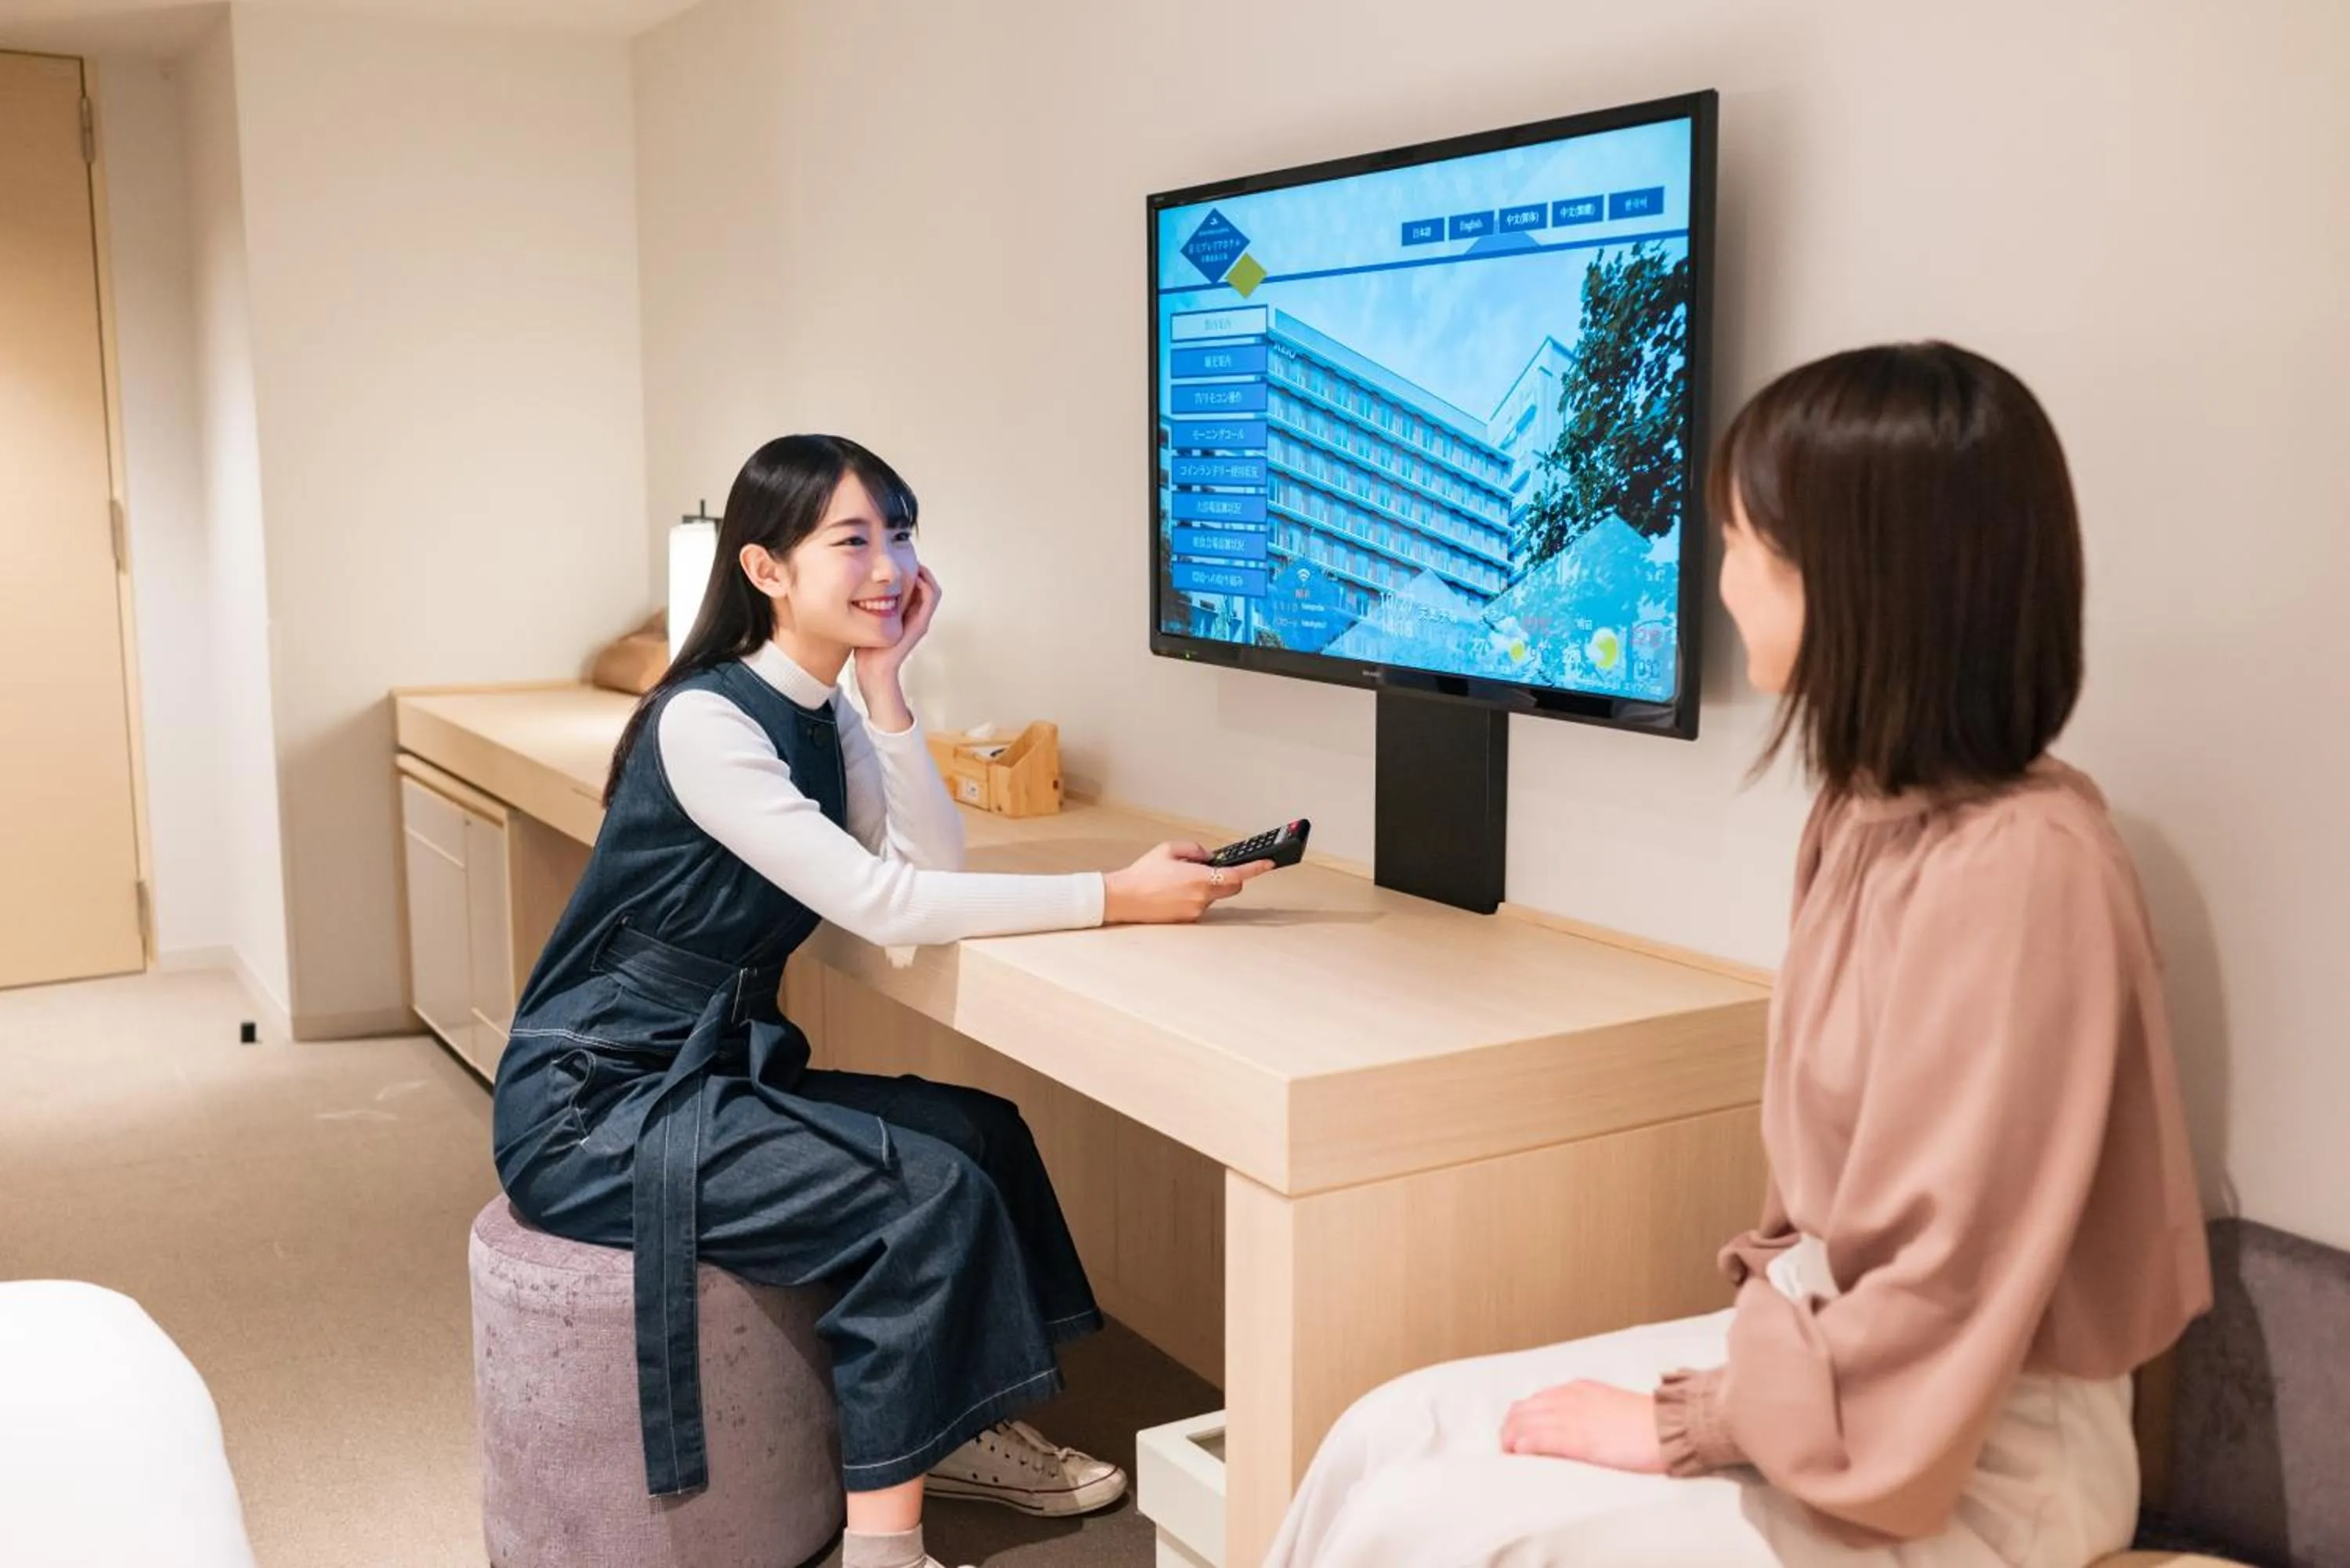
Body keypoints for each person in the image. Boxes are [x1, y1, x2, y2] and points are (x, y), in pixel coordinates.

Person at [1265, 342, 2212, 1567]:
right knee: (1379, 1433)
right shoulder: (1860, 810)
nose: (1719, 584)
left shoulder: (2031, 867)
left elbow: (1949, 1292)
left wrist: (1692, 1420)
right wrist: (1736, 1370)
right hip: (1828, 1360)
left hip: (1969, 1444)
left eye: (1744, 546)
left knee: (1432, 1530)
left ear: (1868, 581)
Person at [490, 434, 1275, 1568]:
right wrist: (1117, 894)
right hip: (596, 1104)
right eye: (852, 538)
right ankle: (886, 1549)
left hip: (702, 1069)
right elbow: (886, 902)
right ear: (766, 570)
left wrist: (887, 687)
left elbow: (927, 858)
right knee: (924, 1198)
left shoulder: (825, 708)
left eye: (900, 532)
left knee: (982, 1132)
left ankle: (944, 1425)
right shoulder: (706, 720)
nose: (890, 564)